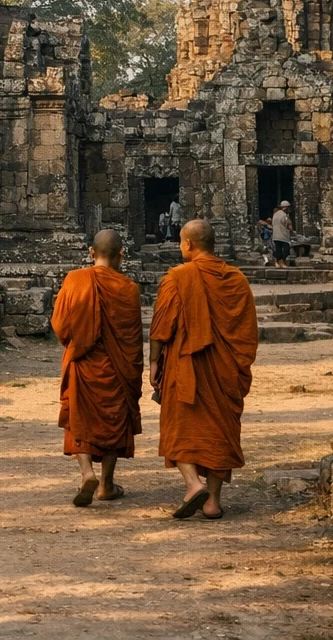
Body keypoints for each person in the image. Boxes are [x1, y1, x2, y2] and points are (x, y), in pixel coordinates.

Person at [149, 220, 258, 521]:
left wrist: (154, 363)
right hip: (225, 369)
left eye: (180, 242)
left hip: (186, 367)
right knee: (219, 430)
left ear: (187, 244)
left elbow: (161, 327)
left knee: (178, 425)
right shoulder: (237, 280)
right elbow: (247, 332)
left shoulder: (177, 278)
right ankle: (213, 502)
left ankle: (192, 483)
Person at [52, 229, 144, 507]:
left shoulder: (75, 279)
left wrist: (77, 341)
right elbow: (132, 338)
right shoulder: (129, 289)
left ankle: (86, 474)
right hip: (118, 367)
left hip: (83, 363)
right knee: (114, 417)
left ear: (91, 253)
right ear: (121, 255)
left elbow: (60, 325)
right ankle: (106, 484)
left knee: (79, 415)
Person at [271, 200, 293, 268]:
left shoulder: (275, 214)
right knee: (286, 250)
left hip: (275, 235)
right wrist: (291, 230)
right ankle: (281, 261)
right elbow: (287, 224)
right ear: (286, 208)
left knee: (278, 249)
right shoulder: (284, 215)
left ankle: (277, 261)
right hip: (283, 235)